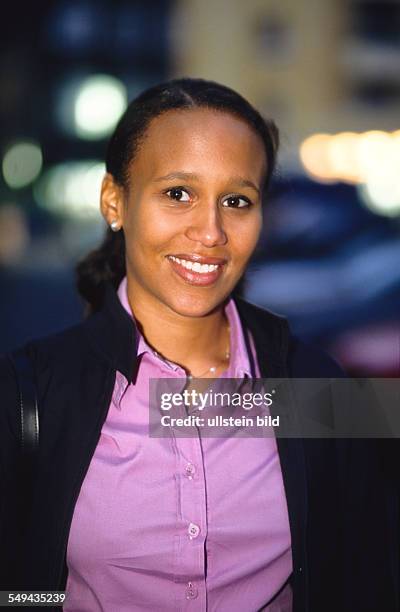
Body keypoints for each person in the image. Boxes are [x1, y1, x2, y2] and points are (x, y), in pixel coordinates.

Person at [0, 78, 397, 612]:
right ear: (114, 201)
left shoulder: (310, 382)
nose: (210, 231)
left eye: (236, 200)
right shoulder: (30, 391)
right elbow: (17, 589)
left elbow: (362, 572)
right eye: (178, 193)